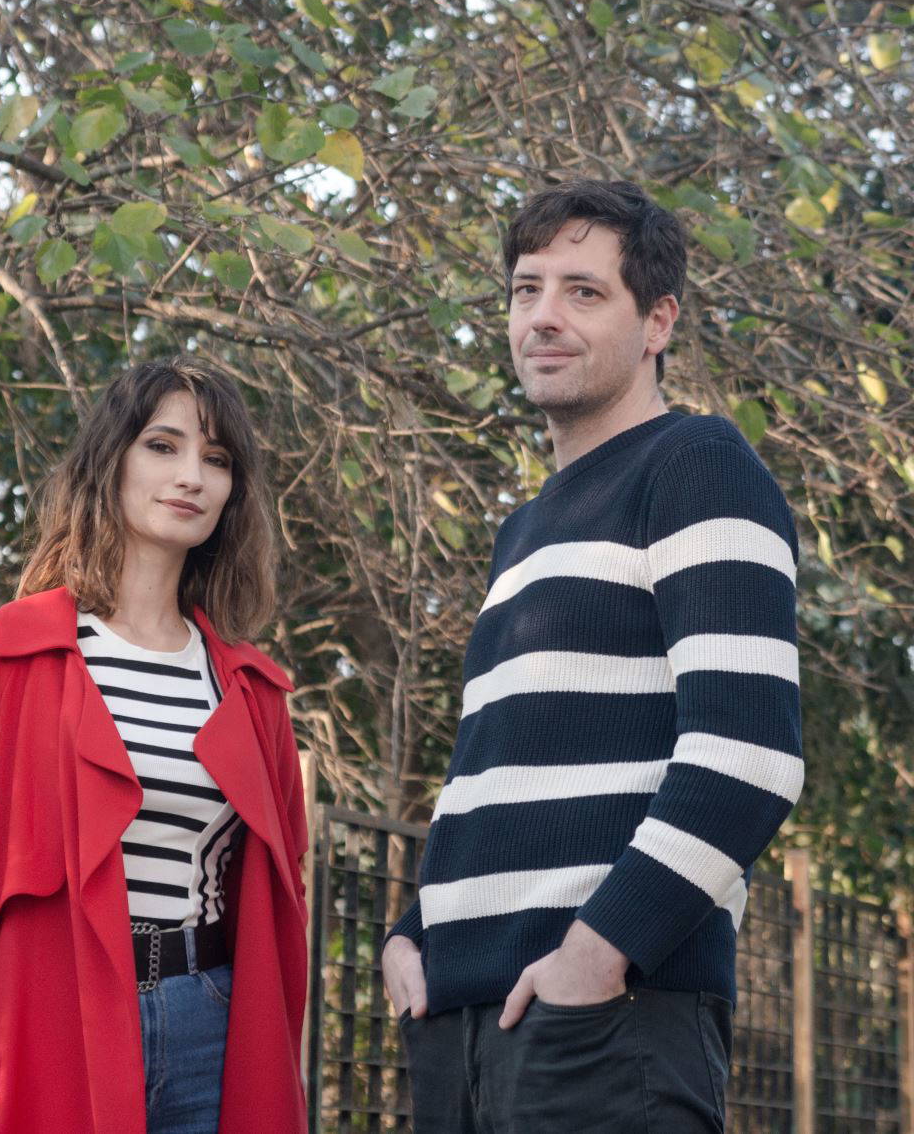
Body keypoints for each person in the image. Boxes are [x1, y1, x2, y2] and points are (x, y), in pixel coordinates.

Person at [382, 179, 803, 1132]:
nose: (543, 316)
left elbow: (749, 757)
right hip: (459, 1025)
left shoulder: (697, 464)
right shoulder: (522, 529)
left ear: (657, 322)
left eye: (583, 291)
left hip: (605, 1023)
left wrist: (599, 953)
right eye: (526, 289)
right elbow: (498, 773)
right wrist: (414, 935)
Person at [0, 358, 309, 1134]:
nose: (191, 477)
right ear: (111, 460)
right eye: (163, 446)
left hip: (208, 1021)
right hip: (50, 1020)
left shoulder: (252, 691)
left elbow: (282, 902)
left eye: (216, 459)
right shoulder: (4, 652)